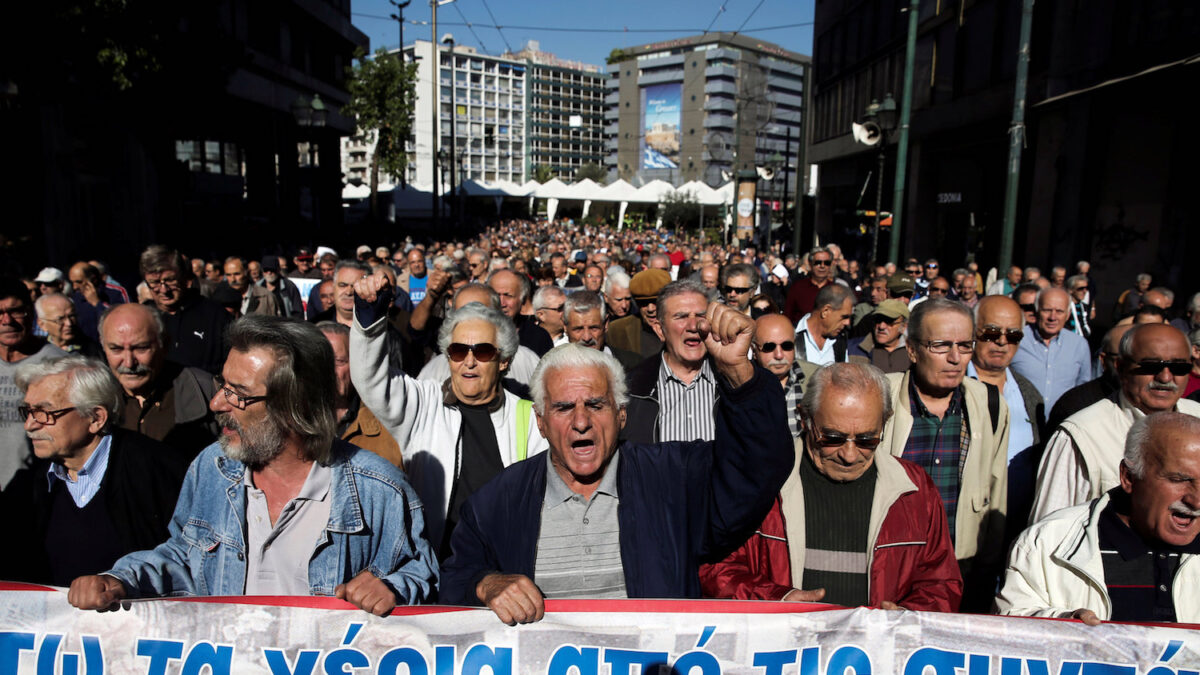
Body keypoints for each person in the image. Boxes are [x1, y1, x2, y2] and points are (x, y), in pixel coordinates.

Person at [438, 305, 792, 624]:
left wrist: (738, 374)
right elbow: (453, 580)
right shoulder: (497, 501)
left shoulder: (674, 479)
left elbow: (757, 467)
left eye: (595, 405)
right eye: (563, 408)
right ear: (541, 421)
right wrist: (485, 584)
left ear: (622, 415)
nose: (581, 422)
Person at [67, 316, 438, 614]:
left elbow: (423, 576)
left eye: (238, 394)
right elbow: (183, 556)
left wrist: (392, 588)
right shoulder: (211, 467)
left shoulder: (379, 489)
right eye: (222, 385)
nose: (216, 404)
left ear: (295, 406)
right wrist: (120, 579)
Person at [699, 362, 962, 610]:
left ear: (885, 423)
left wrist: (907, 616)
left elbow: (941, 582)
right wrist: (778, 601)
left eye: (867, 440)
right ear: (805, 418)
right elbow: (716, 568)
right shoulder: (761, 481)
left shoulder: (915, 491)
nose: (849, 455)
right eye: (833, 438)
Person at [350, 275, 548, 558]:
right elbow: (372, 380)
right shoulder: (422, 404)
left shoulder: (529, 419)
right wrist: (369, 322)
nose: (469, 361)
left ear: (504, 360)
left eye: (482, 351)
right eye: (458, 351)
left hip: (505, 570)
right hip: (435, 568)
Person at [996, 412, 1200, 624]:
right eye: (1180, 479)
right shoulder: (1047, 544)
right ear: (1129, 477)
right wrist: (1063, 624)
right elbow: (1009, 630)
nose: (1196, 501)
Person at [2, 355, 188, 586]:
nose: (30, 424)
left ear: (95, 418)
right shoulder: (30, 483)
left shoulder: (155, 469)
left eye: (44, 413)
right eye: (28, 411)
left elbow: (185, 559)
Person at [877, 298, 1009, 611]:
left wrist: (986, 570)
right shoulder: (880, 397)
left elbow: (996, 490)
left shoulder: (989, 403)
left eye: (964, 345)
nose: (955, 358)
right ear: (911, 350)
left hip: (959, 571)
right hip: (890, 567)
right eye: (940, 345)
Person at [1030, 324, 1200, 523]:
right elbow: (1048, 532)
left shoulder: (1196, 416)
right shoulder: (1082, 434)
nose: (1165, 377)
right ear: (1120, 367)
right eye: (1151, 366)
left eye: (1179, 367)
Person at [966, 296, 1044, 538]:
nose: (1001, 341)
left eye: (1013, 336)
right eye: (991, 332)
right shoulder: (949, 387)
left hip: (1014, 525)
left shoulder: (1030, 394)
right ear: (973, 332)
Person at [100, 303, 219, 459]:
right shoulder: (95, 399)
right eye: (116, 349)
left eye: (141, 348)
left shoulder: (206, 390)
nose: (129, 363)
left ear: (164, 344)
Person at [623, 279, 721, 444]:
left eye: (701, 316)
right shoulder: (631, 389)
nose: (693, 326)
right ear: (660, 330)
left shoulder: (732, 382)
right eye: (681, 317)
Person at [0, 278, 67, 489]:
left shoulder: (60, 364)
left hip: (41, 491)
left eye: (16, 311)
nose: (7, 321)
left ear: (30, 312)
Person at [317, 322, 402, 469]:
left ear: (357, 364)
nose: (328, 370)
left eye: (339, 361)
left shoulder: (388, 428)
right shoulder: (289, 426)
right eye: (320, 360)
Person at [139, 245, 231, 374]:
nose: (164, 290)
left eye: (170, 280)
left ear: (184, 277)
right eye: (154, 282)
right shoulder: (142, 317)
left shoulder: (216, 315)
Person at [1010, 288, 1092, 411]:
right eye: (1047, 310)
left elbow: (1083, 389)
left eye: (1059, 311)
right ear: (1037, 311)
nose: (1052, 317)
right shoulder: (1016, 340)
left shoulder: (1079, 345)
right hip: (1022, 422)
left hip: (1061, 423)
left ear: (1068, 314)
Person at [752, 313, 818, 437]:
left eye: (787, 346)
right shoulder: (742, 382)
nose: (779, 355)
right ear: (754, 350)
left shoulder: (816, 377)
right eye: (769, 347)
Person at [563, 291, 641, 371]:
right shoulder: (554, 368)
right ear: (565, 327)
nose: (587, 337)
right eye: (578, 329)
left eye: (593, 328)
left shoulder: (634, 364)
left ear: (606, 324)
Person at [488, 268, 554, 357]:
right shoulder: (474, 333)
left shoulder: (538, 337)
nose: (501, 303)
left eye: (508, 296)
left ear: (522, 299)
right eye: (496, 295)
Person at [607, 269, 670, 360]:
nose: (650, 309)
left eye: (655, 302)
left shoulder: (682, 326)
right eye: (643, 303)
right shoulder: (617, 330)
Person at [793, 283, 855, 366]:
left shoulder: (840, 342)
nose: (847, 323)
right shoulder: (789, 336)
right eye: (844, 317)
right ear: (826, 311)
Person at [847, 299, 910, 374]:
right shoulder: (852, 348)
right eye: (878, 320)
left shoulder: (914, 352)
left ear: (903, 326)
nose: (881, 326)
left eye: (889, 321)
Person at [35, 293, 100, 357]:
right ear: (42, 324)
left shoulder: (91, 351)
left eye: (71, 316)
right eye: (60, 319)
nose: (69, 323)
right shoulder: (36, 350)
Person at [784, 247, 836, 322]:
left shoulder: (836, 290)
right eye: (818, 262)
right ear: (810, 264)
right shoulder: (797, 288)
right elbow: (787, 316)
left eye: (826, 263)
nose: (822, 266)